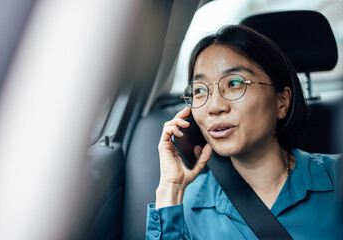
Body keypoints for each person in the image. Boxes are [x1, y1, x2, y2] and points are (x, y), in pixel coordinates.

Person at [145, 24, 342, 239]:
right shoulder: (186, 205)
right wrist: (171, 188)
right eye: (200, 90)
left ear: (282, 101)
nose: (214, 106)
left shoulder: (337, 179)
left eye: (235, 83)